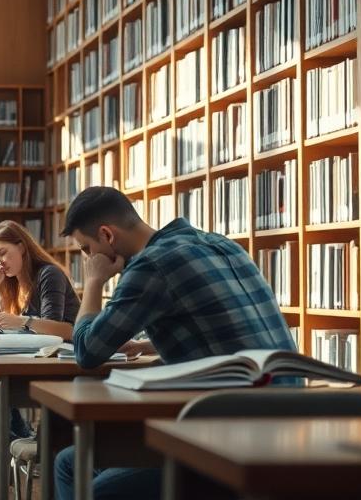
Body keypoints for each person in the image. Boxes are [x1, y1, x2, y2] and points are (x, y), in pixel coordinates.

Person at [54, 187, 296, 500]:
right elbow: (223, 327)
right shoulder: (221, 244)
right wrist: (147, 347)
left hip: (231, 440)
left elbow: (87, 351)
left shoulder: (150, 266)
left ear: (107, 235)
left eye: (87, 249)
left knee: (86, 480)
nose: (89, 259)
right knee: (71, 462)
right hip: (292, 426)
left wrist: (93, 282)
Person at [0, 221, 80, 483]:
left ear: (22, 247)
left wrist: (22, 321)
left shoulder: (48, 274)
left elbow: (61, 330)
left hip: (61, 362)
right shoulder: (12, 281)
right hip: (34, 357)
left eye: (3, 253)